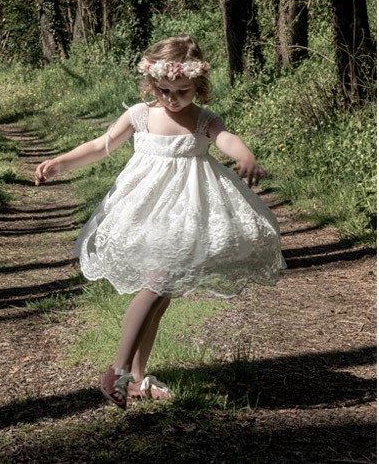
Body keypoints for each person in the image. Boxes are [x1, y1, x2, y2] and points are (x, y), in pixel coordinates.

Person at [34, 35, 284, 408]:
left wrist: (245, 154)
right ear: (152, 84)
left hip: (185, 218)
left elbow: (227, 139)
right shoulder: (140, 115)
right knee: (155, 286)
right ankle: (117, 372)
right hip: (144, 216)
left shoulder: (202, 120)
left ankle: (136, 377)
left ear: (198, 85)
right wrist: (61, 163)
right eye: (164, 90)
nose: (172, 98)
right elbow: (102, 145)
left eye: (182, 91)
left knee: (161, 296)